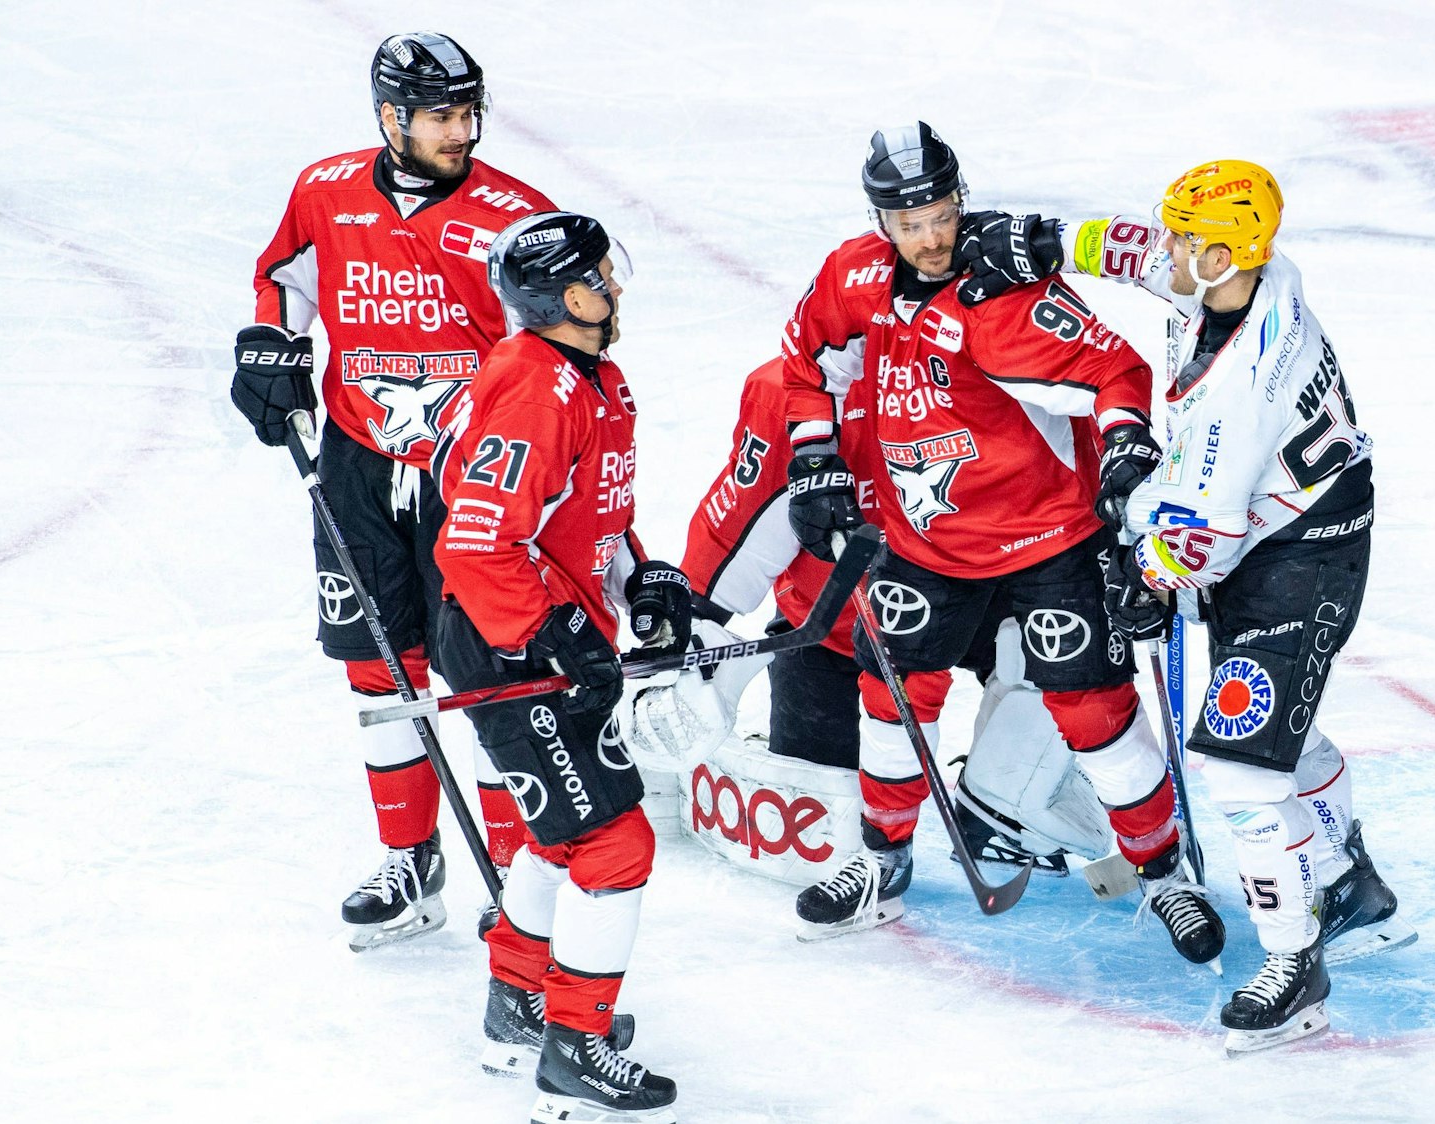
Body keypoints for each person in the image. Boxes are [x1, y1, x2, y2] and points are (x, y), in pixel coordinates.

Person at [955, 160, 1418, 1051]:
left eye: (1180, 239)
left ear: (1217, 256)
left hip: (1295, 557)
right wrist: (1042, 240)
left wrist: (1143, 576)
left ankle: (1296, 969)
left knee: (1241, 767)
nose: (1162, 248)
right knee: (1286, 735)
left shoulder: (1243, 383)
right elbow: (1127, 247)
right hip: (1274, 531)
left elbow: (1201, 530)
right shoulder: (1229, 281)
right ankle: (1346, 884)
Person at [776, 123, 1225, 963]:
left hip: (1049, 537)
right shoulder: (853, 278)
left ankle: (1163, 875)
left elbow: (1116, 371)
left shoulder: (1003, 297)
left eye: (941, 213)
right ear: (881, 223)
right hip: (924, 541)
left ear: (959, 200)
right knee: (894, 698)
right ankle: (881, 858)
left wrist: (1126, 443)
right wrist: (812, 460)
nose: (930, 237)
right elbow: (807, 366)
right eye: (908, 223)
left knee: (1094, 714)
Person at [232, 31, 557, 949]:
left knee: (487, 671)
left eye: (468, 113)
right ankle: (411, 861)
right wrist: (271, 347)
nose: (462, 132)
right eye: (442, 116)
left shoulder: (515, 216)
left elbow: (556, 344)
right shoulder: (325, 190)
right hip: (359, 460)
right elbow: (281, 279)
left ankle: (516, 872)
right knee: (379, 666)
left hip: (473, 475)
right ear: (390, 117)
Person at [642, 357, 1112, 886]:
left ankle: (997, 808)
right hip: (837, 629)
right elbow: (735, 535)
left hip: (989, 602)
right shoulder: (796, 395)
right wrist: (692, 632)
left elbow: (1079, 503)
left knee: (1069, 632)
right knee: (825, 825)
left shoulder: (1011, 359)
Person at [432, 211, 686, 1120]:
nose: (615, 284)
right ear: (568, 295)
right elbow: (475, 544)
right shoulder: (537, 390)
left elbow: (590, 518)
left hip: (541, 632)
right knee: (615, 841)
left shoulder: (590, 377)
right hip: (509, 645)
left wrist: (639, 579)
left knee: (562, 834)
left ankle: (517, 1002)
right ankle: (574, 1044)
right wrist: (552, 635)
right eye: (601, 275)